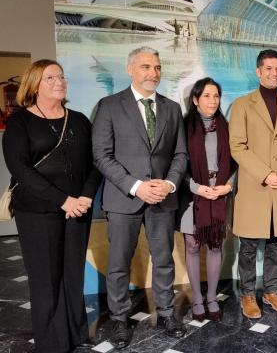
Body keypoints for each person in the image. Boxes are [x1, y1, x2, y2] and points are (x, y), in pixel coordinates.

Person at [2, 59, 101, 352]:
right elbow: (20, 168)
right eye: (50, 78)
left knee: (73, 273)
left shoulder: (80, 119)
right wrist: (63, 200)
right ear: (34, 85)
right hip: (36, 211)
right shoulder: (20, 122)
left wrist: (85, 197)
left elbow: (94, 164)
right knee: (46, 277)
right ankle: (51, 341)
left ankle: (75, 332)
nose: (59, 81)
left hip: (78, 210)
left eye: (61, 76)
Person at [92, 46, 188, 348]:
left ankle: (167, 313)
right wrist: (136, 186)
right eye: (146, 67)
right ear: (130, 69)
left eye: (157, 67)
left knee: (164, 261)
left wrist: (170, 184)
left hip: (162, 199)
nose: (154, 73)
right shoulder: (109, 105)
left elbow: (180, 153)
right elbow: (101, 156)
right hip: (124, 198)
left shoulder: (172, 108)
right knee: (119, 262)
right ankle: (120, 319)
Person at [229, 49, 277, 319]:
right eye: (269, 68)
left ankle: (272, 291)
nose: (274, 73)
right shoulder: (241, 105)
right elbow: (237, 146)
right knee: (249, 247)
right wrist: (266, 174)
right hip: (255, 188)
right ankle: (248, 294)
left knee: (276, 244)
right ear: (258, 71)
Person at [177, 78, 235, 321]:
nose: (212, 100)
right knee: (192, 245)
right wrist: (196, 187)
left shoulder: (227, 126)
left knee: (214, 245)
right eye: (207, 95)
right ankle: (197, 299)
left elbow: (237, 160)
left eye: (216, 95)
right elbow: (176, 163)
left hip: (220, 192)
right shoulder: (183, 126)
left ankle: (211, 298)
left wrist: (229, 186)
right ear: (195, 100)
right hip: (192, 194)